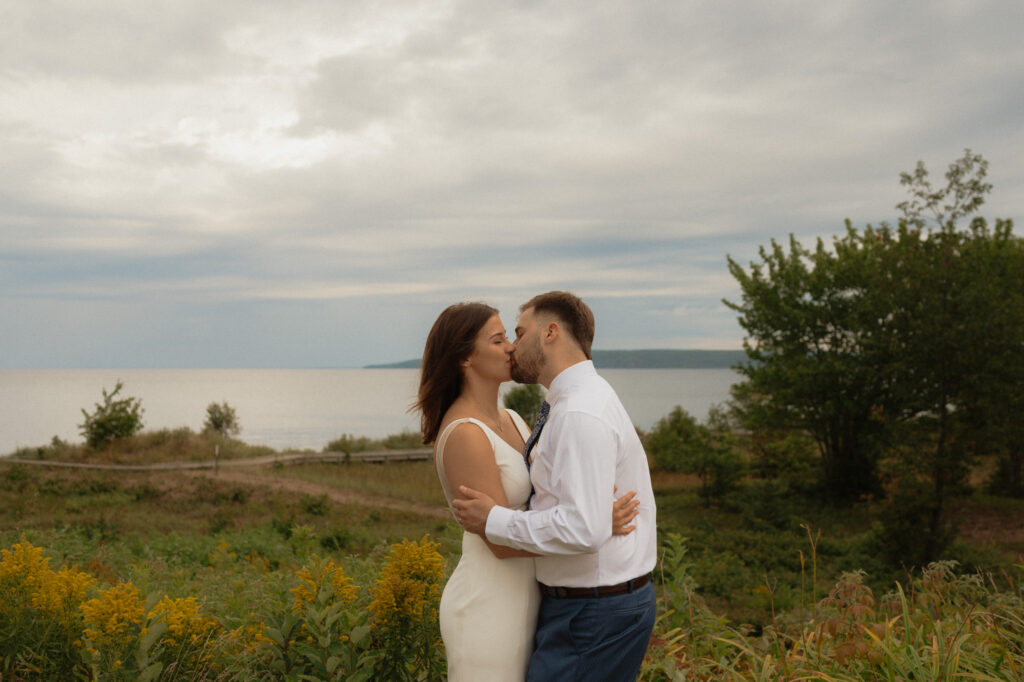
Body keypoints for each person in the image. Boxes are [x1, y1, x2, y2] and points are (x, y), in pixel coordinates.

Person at [416, 302, 640, 682]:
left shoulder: (514, 419)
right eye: (498, 339)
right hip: (489, 600)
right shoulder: (466, 434)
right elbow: (499, 542)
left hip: (533, 596)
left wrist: (586, 508)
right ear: (465, 358)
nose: (510, 348)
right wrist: (593, 526)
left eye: (509, 336)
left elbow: (543, 499)